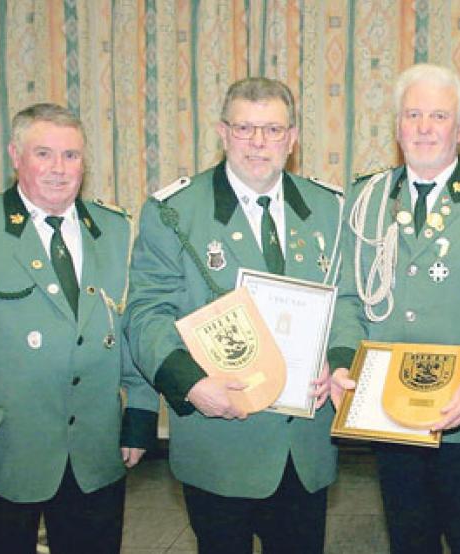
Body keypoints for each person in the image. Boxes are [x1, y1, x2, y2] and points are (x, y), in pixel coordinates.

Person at [124, 78, 344, 554]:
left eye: (272, 129)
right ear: (222, 133)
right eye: (245, 128)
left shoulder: (329, 209)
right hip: (220, 440)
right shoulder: (175, 212)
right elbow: (145, 314)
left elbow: (345, 303)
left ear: (292, 138)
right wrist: (190, 384)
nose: (258, 143)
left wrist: (339, 359)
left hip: (303, 444)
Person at [328, 63, 460, 554]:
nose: (424, 127)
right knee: (407, 537)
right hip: (388, 409)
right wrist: (341, 363)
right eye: (413, 114)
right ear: (397, 126)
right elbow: (348, 296)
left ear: (459, 129)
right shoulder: (366, 198)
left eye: (438, 116)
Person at [0, 103, 158, 554]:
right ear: (15, 155)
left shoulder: (114, 229)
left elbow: (129, 322)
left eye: (72, 156)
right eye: (44, 154)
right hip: (4, 451)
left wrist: (138, 414)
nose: (59, 169)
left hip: (96, 448)